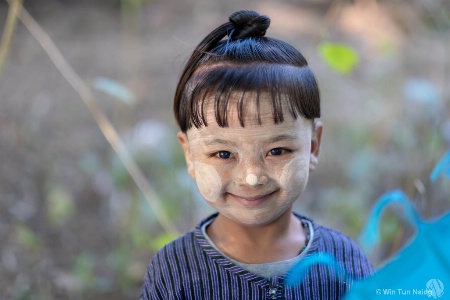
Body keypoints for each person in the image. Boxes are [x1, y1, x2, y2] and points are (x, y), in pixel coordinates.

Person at [140, 10, 374, 300]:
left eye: (277, 151)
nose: (251, 177)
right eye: (223, 153)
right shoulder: (174, 271)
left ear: (313, 146)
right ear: (189, 154)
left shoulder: (343, 262)